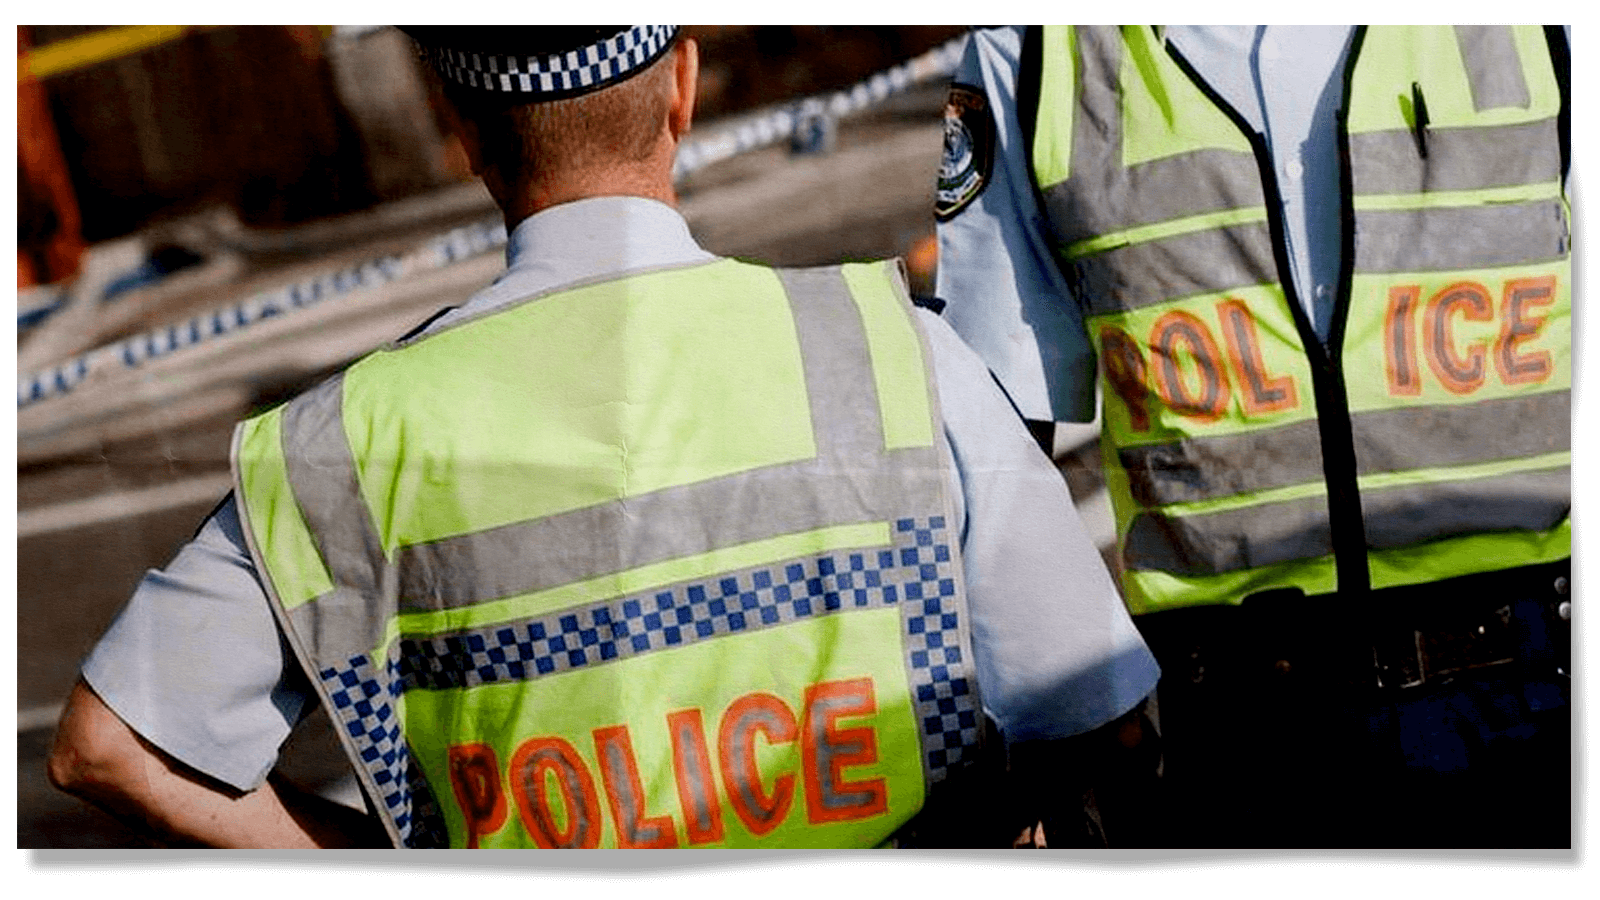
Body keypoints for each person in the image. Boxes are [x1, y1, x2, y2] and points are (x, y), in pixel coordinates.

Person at [49, 25, 1159, 849]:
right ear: (681, 85)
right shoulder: (888, 356)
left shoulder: (339, 446)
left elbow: (109, 746)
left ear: (462, 131)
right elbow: (1094, 714)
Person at [934, 25, 1570, 846]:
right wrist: (1049, 731)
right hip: (1236, 747)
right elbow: (996, 442)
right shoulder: (1039, 59)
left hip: (1534, 703)